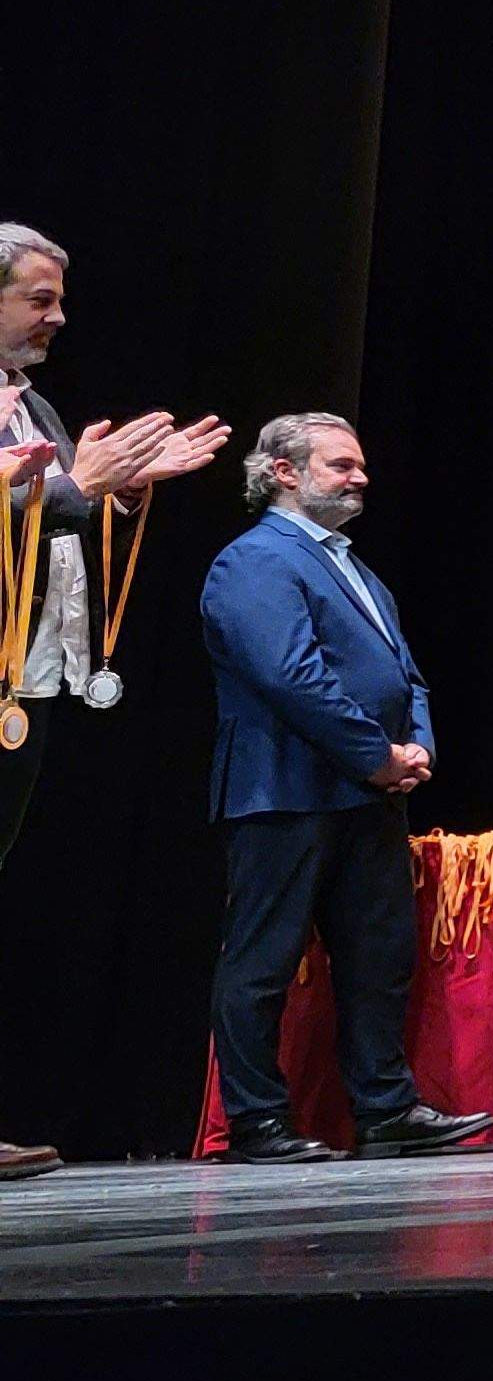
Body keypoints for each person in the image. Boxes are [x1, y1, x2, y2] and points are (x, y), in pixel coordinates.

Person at [196, 413, 493, 1163]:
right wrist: (375, 754)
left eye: (359, 464)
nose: (360, 477)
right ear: (285, 473)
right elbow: (290, 676)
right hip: (286, 790)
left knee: (378, 959)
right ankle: (259, 1122)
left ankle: (385, 1109)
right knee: (263, 962)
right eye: (341, 465)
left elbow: (405, 673)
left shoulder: (353, 567)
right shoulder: (256, 559)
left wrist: (417, 745)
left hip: (369, 793)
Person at [0, 221, 232, 1181]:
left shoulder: (32, 403)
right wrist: (70, 486)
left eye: (59, 298)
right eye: (39, 298)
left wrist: (118, 490)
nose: (59, 317)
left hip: (26, 676)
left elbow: (61, 501)